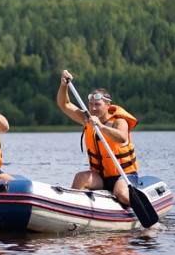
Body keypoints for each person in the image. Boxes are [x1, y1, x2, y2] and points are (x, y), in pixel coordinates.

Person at [56, 70, 139, 206]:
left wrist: (101, 126)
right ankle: (74, 210)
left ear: (107, 105)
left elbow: (122, 138)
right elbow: (64, 105)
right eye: (91, 104)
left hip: (124, 175)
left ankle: (138, 209)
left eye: (98, 105)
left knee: (120, 193)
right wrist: (63, 85)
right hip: (100, 176)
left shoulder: (119, 121)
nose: (93, 108)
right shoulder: (87, 119)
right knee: (80, 177)